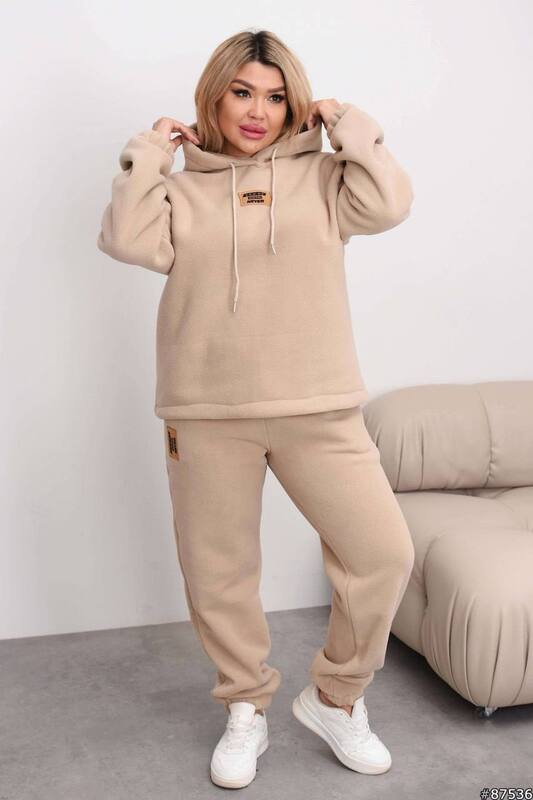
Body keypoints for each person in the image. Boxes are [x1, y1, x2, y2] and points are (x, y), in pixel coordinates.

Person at [97, 27, 415, 791]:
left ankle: (336, 697)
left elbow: (389, 203)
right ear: (214, 96)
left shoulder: (327, 178)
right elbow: (126, 240)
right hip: (206, 412)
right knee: (220, 573)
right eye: (241, 92)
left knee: (382, 555)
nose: (256, 112)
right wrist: (150, 153)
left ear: (294, 106)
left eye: (275, 98)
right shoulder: (179, 191)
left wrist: (346, 123)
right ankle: (244, 705)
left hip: (320, 407)